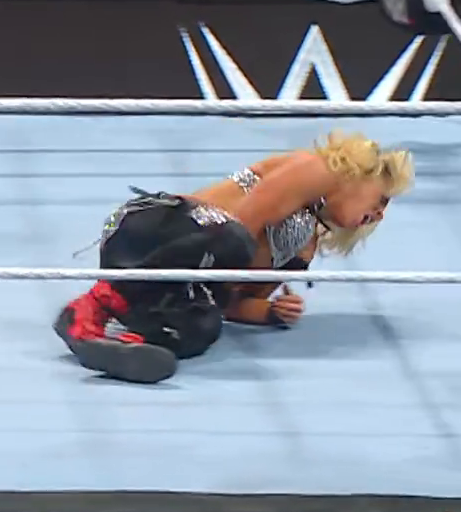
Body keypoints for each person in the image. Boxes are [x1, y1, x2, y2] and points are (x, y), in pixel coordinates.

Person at [55, 131, 414, 384]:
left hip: (177, 276)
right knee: (234, 241)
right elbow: (240, 227)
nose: (380, 214)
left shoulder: (304, 245)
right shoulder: (317, 170)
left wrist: (271, 312)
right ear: (360, 177)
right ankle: (94, 305)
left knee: (203, 328)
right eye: (381, 199)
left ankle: (110, 342)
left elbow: (231, 303)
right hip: (148, 231)